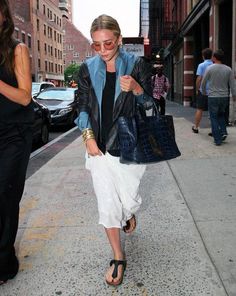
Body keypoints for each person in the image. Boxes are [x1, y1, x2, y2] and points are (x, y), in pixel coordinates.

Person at [75, 15, 152, 286]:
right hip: (98, 147)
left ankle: (129, 213)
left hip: (128, 145)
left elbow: (152, 106)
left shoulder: (137, 64)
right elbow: (82, 106)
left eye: (108, 43)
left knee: (128, 201)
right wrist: (87, 137)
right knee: (107, 204)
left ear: (119, 39)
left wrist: (138, 89)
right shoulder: (86, 69)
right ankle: (118, 256)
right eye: (96, 45)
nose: (103, 50)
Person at [0, 0, 34, 285]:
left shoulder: (17, 49)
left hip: (14, 134)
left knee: (4, 198)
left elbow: (25, 97)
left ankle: (4, 263)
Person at [201, 49, 236, 145]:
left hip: (213, 96)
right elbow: (232, 84)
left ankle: (217, 139)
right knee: (221, 115)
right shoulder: (228, 69)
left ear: (215, 58)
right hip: (224, 96)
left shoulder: (210, 68)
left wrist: (204, 92)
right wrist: (234, 96)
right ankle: (223, 132)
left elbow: (203, 82)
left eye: (213, 56)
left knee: (213, 117)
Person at [192, 48, 213, 133]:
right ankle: (213, 129)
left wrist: (197, 89)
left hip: (203, 91)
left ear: (203, 56)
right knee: (212, 110)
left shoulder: (201, 65)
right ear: (211, 56)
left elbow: (199, 78)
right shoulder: (214, 65)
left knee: (199, 109)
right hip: (212, 91)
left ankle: (196, 127)